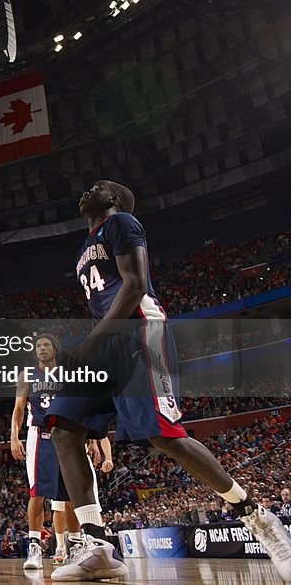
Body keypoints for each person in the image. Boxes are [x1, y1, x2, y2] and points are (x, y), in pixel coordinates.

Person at [47, 180, 291, 582]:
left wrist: (91, 343)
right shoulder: (83, 247)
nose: (86, 190)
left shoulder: (122, 221)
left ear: (113, 199)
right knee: (62, 425)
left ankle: (255, 516)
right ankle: (96, 545)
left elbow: (136, 286)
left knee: (164, 435)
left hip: (140, 333)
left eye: (97, 187)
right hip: (106, 342)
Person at [12, 333, 104, 569]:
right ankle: (34, 546)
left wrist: (92, 440)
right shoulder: (27, 375)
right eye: (38, 346)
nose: (42, 349)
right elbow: (19, 409)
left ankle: (73, 546)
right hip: (40, 436)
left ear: (55, 348)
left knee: (71, 494)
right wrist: (14, 437)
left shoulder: (68, 374)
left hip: (67, 435)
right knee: (37, 493)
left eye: (46, 345)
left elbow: (83, 408)